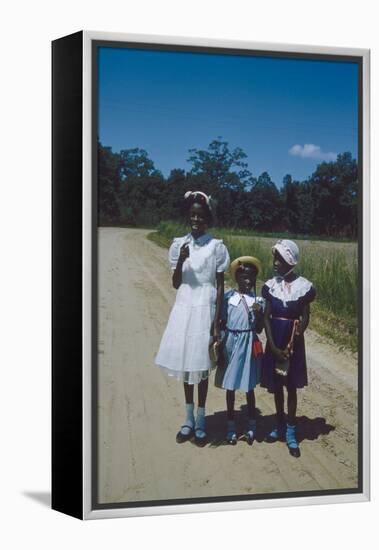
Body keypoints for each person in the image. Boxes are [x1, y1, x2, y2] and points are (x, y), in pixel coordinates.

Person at [155, 191, 230, 446]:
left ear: (207, 218)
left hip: (205, 308)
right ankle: (187, 419)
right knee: (187, 365)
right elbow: (176, 283)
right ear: (189, 217)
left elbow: (220, 285)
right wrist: (181, 261)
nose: (196, 219)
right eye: (193, 215)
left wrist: (217, 320)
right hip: (185, 307)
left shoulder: (216, 246)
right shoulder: (179, 245)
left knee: (202, 366)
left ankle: (201, 419)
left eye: (201, 215)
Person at [261, 239, 316, 457]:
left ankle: (291, 431)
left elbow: (305, 316)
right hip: (275, 338)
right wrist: (273, 347)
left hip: (293, 342)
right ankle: (280, 424)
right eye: (275, 258)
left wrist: (296, 335)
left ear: (290, 261)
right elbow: (266, 317)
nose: (275, 263)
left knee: (290, 385)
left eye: (280, 259)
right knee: (276, 384)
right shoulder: (270, 286)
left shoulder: (304, 287)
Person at [216, 256, 264, 445]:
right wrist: (219, 347)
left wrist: (259, 314)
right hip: (231, 343)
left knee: (249, 386)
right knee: (230, 386)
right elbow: (221, 323)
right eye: (243, 277)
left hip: (248, 343)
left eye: (251, 277)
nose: (248, 281)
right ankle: (231, 427)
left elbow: (259, 328)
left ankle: (251, 426)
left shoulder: (258, 300)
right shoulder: (228, 298)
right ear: (236, 278)